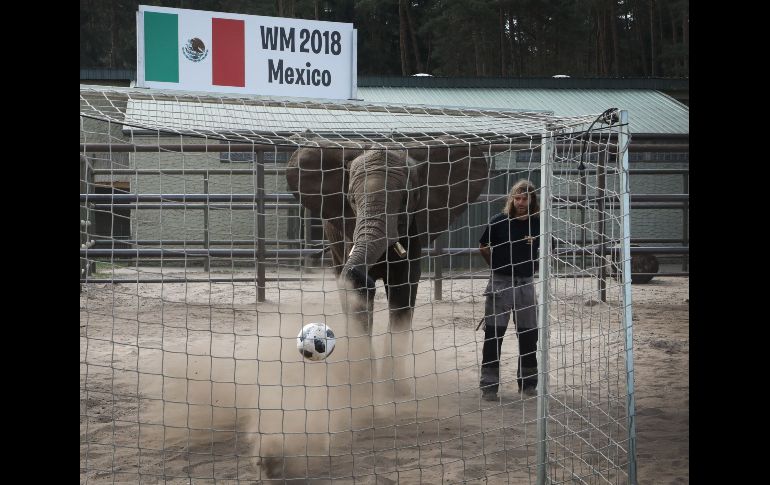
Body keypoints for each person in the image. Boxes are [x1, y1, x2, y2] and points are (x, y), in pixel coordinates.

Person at [478, 179, 544, 401]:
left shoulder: (539, 224)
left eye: (525, 198)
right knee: (493, 336)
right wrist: (497, 267)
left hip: (526, 284)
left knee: (528, 336)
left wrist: (531, 266)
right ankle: (489, 387)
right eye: (517, 198)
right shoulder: (498, 222)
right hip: (500, 285)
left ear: (533, 199)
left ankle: (528, 385)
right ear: (511, 199)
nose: (521, 202)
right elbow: (483, 246)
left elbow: (546, 250)